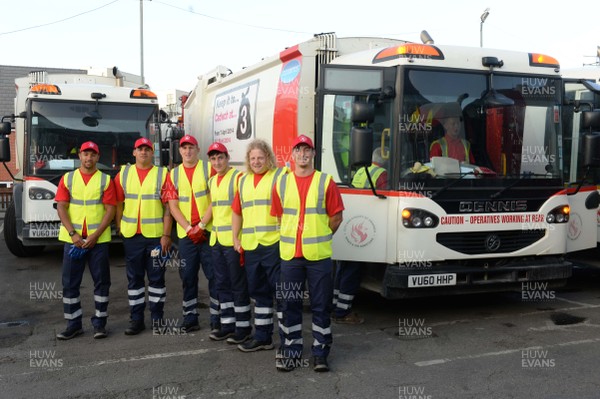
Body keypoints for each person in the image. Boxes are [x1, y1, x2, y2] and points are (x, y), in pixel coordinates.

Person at [271, 134, 344, 372]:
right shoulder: (282, 182)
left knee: (321, 305)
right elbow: (280, 216)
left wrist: (319, 236)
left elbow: (336, 217)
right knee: (289, 304)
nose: (302, 154)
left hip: (318, 257)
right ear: (292, 155)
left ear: (313, 154)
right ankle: (291, 351)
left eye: (307, 150)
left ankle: (320, 353)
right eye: (298, 150)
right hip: (291, 257)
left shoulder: (326, 181)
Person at [55, 141, 116, 340]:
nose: (88, 158)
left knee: (102, 283)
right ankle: (73, 325)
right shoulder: (68, 178)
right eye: (85, 154)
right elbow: (61, 207)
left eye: (92, 155)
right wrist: (73, 234)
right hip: (73, 241)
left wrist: (94, 236)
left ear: (98, 157)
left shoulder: (105, 180)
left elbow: (110, 210)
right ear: (79, 156)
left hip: (97, 241)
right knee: (70, 283)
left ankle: (100, 324)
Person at [232, 139, 287, 353]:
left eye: (260, 158)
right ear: (248, 160)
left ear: (268, 158)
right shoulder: (243, 181)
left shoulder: (280, 177)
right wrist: (235, 238)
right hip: (251, 246)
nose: (256, 162)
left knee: (280, 292)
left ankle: (287, 338)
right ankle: (263, 337)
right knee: (259, 292)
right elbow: (237, 211)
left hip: (274, 243)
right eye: (253, 158)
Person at [115, 137, 173, 335]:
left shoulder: (162, 174)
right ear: (134, 152)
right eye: (140, 149)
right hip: (132, 236)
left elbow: (168, 207)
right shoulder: (124, 173)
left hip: (156, 237)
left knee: (157, 280)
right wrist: (119, 224)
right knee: (135, 280)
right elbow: (118, 202)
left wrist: (166, 234)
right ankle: (136, 320)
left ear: (152, 153)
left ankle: (157, 319)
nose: (144, 152)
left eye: (147, 149)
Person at [166, 135, 220, 333]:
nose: (188, 151)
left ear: (198, 149)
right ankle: (190, 318)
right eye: (184, 148)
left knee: (214, 276)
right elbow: (173, 206)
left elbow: (216, 199)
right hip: (186, 235)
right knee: (188, 276)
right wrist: (189, 229)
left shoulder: (209, 169)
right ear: (180, 151)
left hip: (207, 232)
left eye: (191, 148)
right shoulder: (173, 175)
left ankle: (217, 318)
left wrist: (202, 225)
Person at [206, 142, 252, 344]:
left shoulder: (238, 178)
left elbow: (242, 210)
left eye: (220, 158)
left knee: (237, 284)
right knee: (221, 283)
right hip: (216, 240)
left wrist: (238, 238)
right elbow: (214, 209)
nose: (217, 162)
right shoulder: (212, 181)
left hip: (233, 242)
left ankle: (243, 327)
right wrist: (200, 226)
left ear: (227, 158)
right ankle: (227, 325)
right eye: (213, 159)